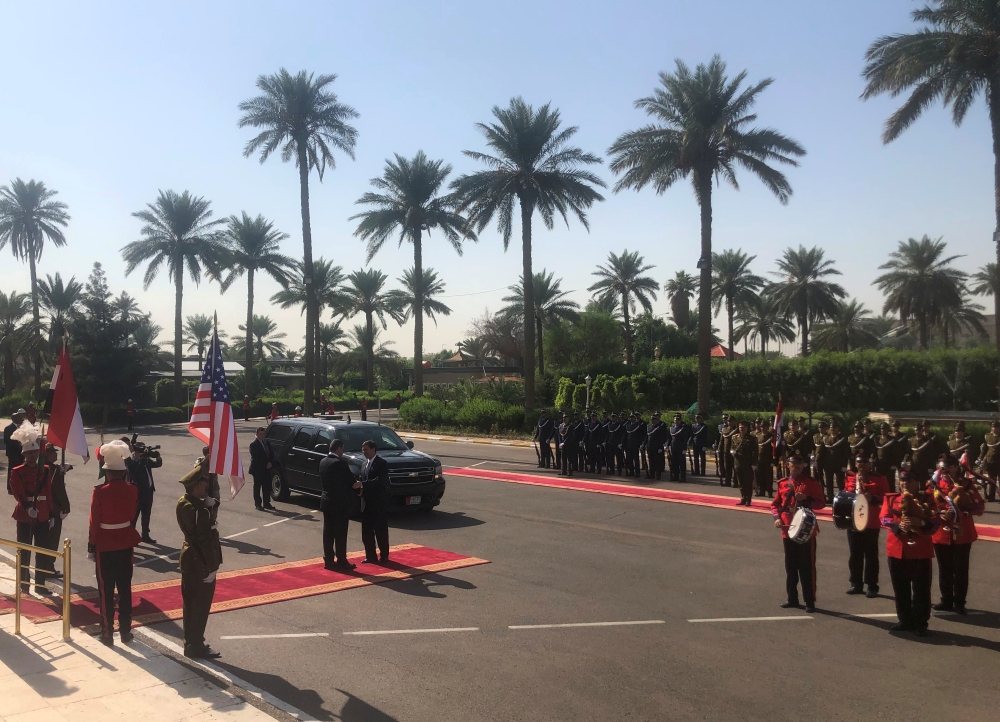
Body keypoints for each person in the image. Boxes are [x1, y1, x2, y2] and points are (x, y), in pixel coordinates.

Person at [88, 439, 141, 645]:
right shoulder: (133, 489)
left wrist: (92, 545)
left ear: (108, 472)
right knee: (125, 590)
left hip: (105, 544)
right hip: (126, 543)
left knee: (106, 592)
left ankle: (107, 633)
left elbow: (94, 522)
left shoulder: (99, 492)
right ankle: (126, 632)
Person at [881, 470, 936, 635]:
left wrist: (920, 521)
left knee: (921, 589)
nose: (904, 483)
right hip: (897, 550)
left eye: (909, 480)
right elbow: (884, 518)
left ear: (917, 482)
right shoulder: (891, 498)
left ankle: (920, 623)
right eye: (902, 480)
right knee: (900, 588)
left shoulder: (927, 499)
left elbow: (936, 521)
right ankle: (904, 619)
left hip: (920, 550)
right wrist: (898, 526)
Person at [177, 459, 223, 659]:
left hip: (189, 559)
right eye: (203, 483)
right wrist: (212, 566)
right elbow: (205, 540)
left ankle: (191, 642)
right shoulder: (200, 511)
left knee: (190, 604)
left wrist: (207, 506)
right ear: (196, 487)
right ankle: (195, 644)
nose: (206, 485)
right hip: (201, 561)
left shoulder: (184, 502)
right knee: (200, 606)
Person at [929, 454, 984, 615]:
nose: (943, 470)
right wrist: (939, 513)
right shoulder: (934, 484)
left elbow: (979, 507)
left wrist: (961, 511)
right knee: (944, 568)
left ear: (955, 467)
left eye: (947, 466)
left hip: (962, 532)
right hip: (941, 532)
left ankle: (959, 602)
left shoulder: (966, 485)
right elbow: (926, 505)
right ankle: (946, 599)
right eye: (941, 467)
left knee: (960, 569)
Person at [770, 454, 826, 613]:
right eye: (793, 464)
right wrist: (777, 518)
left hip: (805, 529)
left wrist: (807, 498)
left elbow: (821, 503)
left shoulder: (811, 483)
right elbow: (775, 505)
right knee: (790, 567)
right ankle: (792, 598)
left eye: (799, 465)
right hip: (787, 529)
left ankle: (809, 601)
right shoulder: (782, 484)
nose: (796, 467)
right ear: (788, 465)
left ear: (804, 466)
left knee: (807, 567)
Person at [9, 422, 52, 595]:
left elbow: (48, 492)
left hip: (42, 514)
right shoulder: (17, 471)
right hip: (25, 515)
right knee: (24, 552)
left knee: (42, 552)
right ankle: (24, 585)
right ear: (24, 454)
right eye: (29, 453)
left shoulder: (46, 470)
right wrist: (27, 508)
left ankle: (40, 584)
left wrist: (51, 513)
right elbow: (18, 493)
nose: (32, 456)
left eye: (34, 452)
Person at [844, 455, 890, 598]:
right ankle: (856, 583)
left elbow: (887, 497)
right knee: (855, 554)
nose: (861, 465)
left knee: (870, 554)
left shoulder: (879, 478)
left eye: (864, 462)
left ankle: (871, 585)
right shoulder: (851, 478)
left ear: (870, 464)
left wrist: (874, 498)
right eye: (859, 462)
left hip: (870, 520)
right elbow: (845, 495)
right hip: (853, 520)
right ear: (855, 464)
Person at [319, 438, 362, 569]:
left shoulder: (323, 461)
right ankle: (342, 560)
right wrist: (359, 488)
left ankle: (328, 559)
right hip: (339, 503)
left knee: (328, 532)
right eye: (342, 449)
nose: (343, 452)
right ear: (338, 448)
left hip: (327, 501)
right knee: (341, 533)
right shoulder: (340, 463)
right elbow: (350, 481)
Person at [39, 442, 71, 580]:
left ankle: (43, 567)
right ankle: (48, 568)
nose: (56, 454)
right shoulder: (54, 470)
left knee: (43, 539)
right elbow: (59, 491)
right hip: (54, 509)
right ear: (47, 454)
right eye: (53, 452)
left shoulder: (42, 468)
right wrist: (66, 507)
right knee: (52, 540)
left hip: (43, 509)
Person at [360, 440, 390, 563]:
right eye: (363, 450)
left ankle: (384, 556)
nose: (364, 452)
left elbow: (380, 481)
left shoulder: (381, 463)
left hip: (378, 504)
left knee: (380, 531)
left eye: (366, 449)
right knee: (366, 532)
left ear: (373, 449)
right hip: (366, 504)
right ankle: (370, 555)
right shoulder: (363, 464)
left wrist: (363, 484)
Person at [126, 440, 162, 544]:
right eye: (139, 449)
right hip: (137, 493)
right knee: (134, 516)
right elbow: (136, 471)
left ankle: (145, 535)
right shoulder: (132, 461)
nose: (141, 451)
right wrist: (141, 457)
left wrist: (157, 456)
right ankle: (131, 537)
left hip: (148, 492)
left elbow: (158, 464)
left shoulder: (146, 460)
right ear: (135, 450)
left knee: (146, 515)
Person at [249, 426, 276, 511]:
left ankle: (266, 503)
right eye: (260, 434)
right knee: (257, 487)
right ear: (256, 434)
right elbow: (256, 457)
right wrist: (265, 463)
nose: (262, 435)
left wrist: (270, 462)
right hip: (257, 469)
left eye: (263, 434)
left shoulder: (266, 443)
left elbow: (271, 453)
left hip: (266, 469)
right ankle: (258, 504)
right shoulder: (253, 444)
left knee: (266, 486)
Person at [731, 420, 758, 506]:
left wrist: (754, 463)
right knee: (740, 482)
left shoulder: (752, 438)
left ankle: (748, 499)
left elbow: (755, 452)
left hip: (748, 463)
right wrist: (732, 451)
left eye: (744, 428)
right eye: (740, 428)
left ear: (747, 428)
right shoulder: (735, 437)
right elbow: (732, 447)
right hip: (738, 462)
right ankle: (743, 498)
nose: (742, 429)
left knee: (748, 482)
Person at [824, 420, 850, 503]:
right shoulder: (826, 438)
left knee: (840, 483)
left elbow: (846, 453)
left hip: (839, 464)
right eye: (831, 428)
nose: (833, 429)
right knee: (829, 482)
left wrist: (844, 466)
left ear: (838, 429)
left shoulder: (842, 438)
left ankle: (842, 498)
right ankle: (830, 498)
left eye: (834, 428)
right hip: (828, 464)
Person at [876, 422, 902, 492]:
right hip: (879, 465)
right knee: (880, 482)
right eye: (881, 429)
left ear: (888, 430)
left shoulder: (892, 440)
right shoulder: (877, 439)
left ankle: (891, 498)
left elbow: (897, 454)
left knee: (890, 483)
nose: (882, 430)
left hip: (889, 465)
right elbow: (875, 451)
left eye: (884, 429)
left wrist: (894, 464)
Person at [4, 408, 26, 493]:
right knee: (12, 470)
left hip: (21, 453)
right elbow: (7, 441)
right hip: (12, 453)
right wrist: (17, 444)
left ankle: (19, 487)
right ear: (14, 419)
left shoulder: (21, 427)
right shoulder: (8, 428)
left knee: (20, 470)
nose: (21, 419)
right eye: (18, 417)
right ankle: (10, 487)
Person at [980, 419, 1000, 502]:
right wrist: (980, 457)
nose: (994, 429)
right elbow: (984, 448)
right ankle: (991, 497)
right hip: (991, 461)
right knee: (991, 480)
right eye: (993, 427)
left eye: (996, 427)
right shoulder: (988, 436)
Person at [668, 413, 690, 481]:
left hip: (680, 448)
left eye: (678, 420)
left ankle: (683, 477)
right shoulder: (672, 428)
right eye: (675, 420)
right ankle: (675, 476)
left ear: (680, 421)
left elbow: (685, 439)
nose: (676, 421)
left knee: (682, 464)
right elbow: (670, 438)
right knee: (674, 463)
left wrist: (684, 448)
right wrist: (667, 445)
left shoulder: (683, 428)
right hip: (673, 447)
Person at [755, 420, 775, 498]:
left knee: (768, 477)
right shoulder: (758, 436)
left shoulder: (771, 436)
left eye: (764, 427)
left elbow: (774, 449)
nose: (763, 428)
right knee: (759, 476)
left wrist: (773, 460)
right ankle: (761, 491)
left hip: (768, 460)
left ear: (767, 427)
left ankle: (769, 492)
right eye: (762, 427)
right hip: (759, 459)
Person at [646, 412, 667, 481]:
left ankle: (658, 475)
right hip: (650, 446)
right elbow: (648, 437)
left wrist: (661, 447)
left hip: (657, 447)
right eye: (652, 419)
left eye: (654, 419)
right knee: (651, 461)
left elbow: (662, 437)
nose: (653, 421)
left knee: (657, 462)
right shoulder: (649, 427)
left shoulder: (660, 427)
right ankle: (651, 474)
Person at [811, 420, 829, 485]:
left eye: (822, 428)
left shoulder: (828, 436)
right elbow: (813, 446)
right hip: (817, 457)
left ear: (825, 428)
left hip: (826, 457)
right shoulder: (815, 436)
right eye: (819, 428)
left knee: (827, 474)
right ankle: (817, 485)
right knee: (816, 473)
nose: (821, 429)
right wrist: (813, 454)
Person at [625, 412, 643, 477]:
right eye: (631, 418)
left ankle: (637, 472)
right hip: (629, 444)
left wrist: (640, 444)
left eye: (633, 417)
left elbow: (640, 436)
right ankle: (631, 471)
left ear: (635, 418)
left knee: (636, 459)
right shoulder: (628, 425)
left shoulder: (638, 425)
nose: (632, 419)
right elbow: (625, 435)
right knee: (629, 459)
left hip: (635, 444)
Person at [719, 417, 736, 487]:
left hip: (733, 452)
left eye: (731, 421)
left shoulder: (736, 430)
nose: (729, 422)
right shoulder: (724, 429)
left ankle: (735, 482)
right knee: (727, 468)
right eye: (728, 421)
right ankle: (727, 482)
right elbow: (721, 440)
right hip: (726, 451)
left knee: (735, 468)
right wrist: (719, 448)